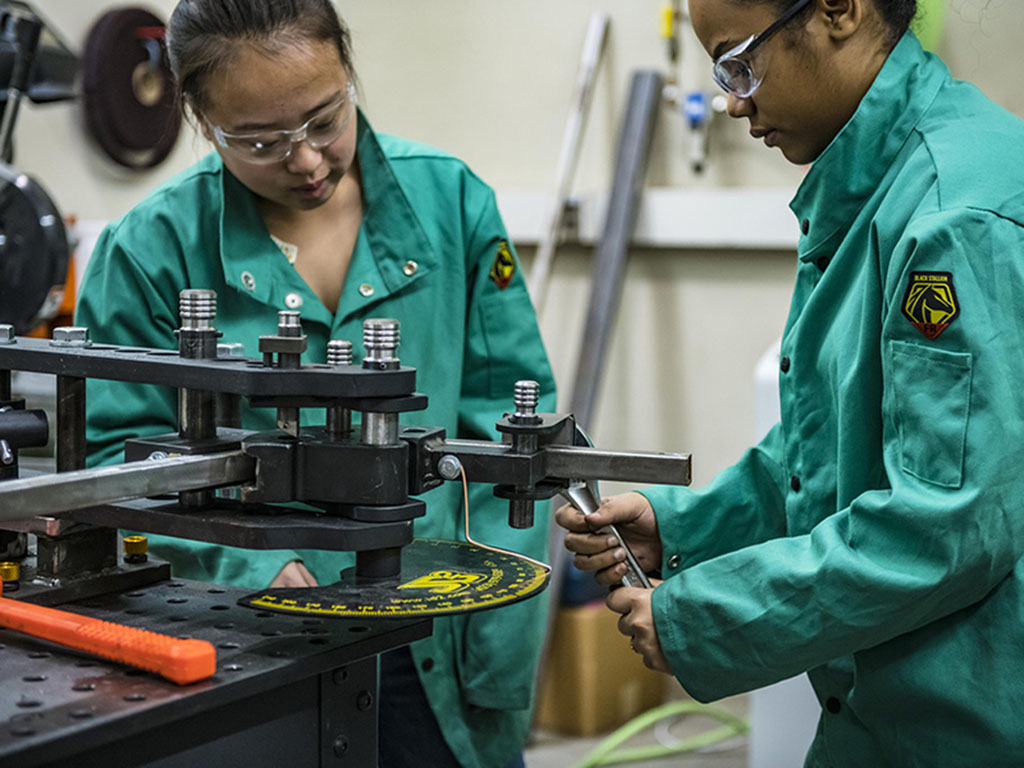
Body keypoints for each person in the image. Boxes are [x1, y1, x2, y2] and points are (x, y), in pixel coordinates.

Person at [74, 2, 555, 767]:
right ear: (199, 119)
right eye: (261, 141)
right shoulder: (148, 252)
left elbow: (510, 434)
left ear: (349, 72)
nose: (305, 162)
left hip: (433, 633)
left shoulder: (452, 204)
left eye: (325, 119)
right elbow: (111, 460)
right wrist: (246, 566)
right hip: (243, 637)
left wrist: (496, 646)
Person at [557, 0, 1024, 765]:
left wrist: (705, 619)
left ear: (838, 10)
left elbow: (944, 528)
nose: (735, 101)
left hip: (964, 727)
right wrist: (682, 527)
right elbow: (832, 450)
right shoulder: (873, 188)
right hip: (878, 716)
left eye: (741, 63)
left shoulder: (954, 216)